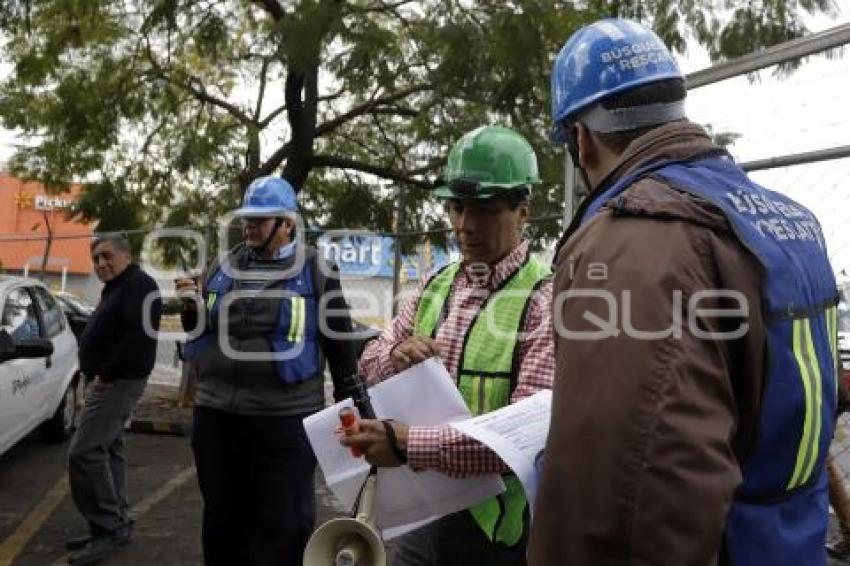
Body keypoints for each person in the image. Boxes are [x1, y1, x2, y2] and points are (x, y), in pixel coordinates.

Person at [529, 18, 841, 566]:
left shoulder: (633, 241)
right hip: (792, 543)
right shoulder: (791, 221)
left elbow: (631, 496)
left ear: (581, 138)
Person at [343, 125, 554, 566]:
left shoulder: (544, 301)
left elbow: (519, 442)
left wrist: (404, 445)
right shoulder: (436, 284)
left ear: (523, 211)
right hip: (421, 509)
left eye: (484, 209)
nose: (464, 225)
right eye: (456, 208)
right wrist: (396, 358)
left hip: (492, 530)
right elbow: (369, 362)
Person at [176, 175, 359, 566]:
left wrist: (353, 408)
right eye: (248, 219)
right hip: (217, 417)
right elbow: (204, 328)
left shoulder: (316, 270)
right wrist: (191, 309)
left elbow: (340, 345)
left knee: (283, 528)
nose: (250, 226)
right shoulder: (223, 266)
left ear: (287, 224)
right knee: (223, 523)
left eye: (261, 220)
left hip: (284, 423)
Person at [68, 234, 161, 565]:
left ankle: (107, 526)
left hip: (118, 382)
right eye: (95, 259)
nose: (100, 264)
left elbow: (139, 338)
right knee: (109, 449)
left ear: (127, 255)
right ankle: (114, 523)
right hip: (109, 379)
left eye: (106, 256)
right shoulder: (118, 286)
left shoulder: (139, 285)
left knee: (84, 452)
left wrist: (104, 376)